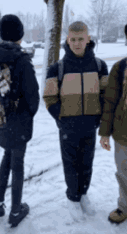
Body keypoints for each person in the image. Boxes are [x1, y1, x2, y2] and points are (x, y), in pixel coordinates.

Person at [43, 21, 108, 221]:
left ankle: (83, 194)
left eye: (81, 39)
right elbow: (49, 97)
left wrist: (99, 118)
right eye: (73, 39)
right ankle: (73, 198)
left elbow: (106, 95)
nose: (77, 43)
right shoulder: (57, 68)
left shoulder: (99, 65)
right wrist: (61, 117)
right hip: (68, 127)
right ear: (67, 40)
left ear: (88, 39)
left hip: (90, 126)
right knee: (70, 164)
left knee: (87, 163)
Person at [0, 14, 40, 227]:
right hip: (18, 124)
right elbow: (33, 98)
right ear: (20, 34)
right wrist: (25, 116)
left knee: (7, 156)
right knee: (17, 164)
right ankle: (16, 211)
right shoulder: (22, 60)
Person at [99, 24, 127, 224]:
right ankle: (124, 207)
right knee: (123, 174)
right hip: (122, 134)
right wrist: (105, 133)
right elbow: (110, 102)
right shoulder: (120, 67)